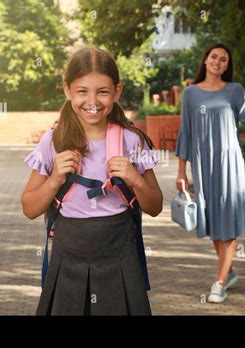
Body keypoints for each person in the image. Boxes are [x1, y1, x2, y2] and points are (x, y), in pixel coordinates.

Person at [21, 47, 163, 315]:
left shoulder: (131, 141)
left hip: (119, 256)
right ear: (67, 91)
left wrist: (135, 179)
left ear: (117, 92)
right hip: (67, 258)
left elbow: (155, 206)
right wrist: (54, 180)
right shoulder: (54, 141)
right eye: (82, 91)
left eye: (103, 91)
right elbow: (29, 208)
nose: (92, 101)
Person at [175, 43, 245, 303]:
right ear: (205, 60)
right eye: (214, 57)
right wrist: (181, 171)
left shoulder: (234, 91)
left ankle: (219, 282)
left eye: (223, 59)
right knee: (214, 221)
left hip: (229, 164)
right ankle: (228, 270)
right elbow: (186, 134)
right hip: (203, 166)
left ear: (227, 66)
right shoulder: (191, 94)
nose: (218, 61)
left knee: (227, 223)